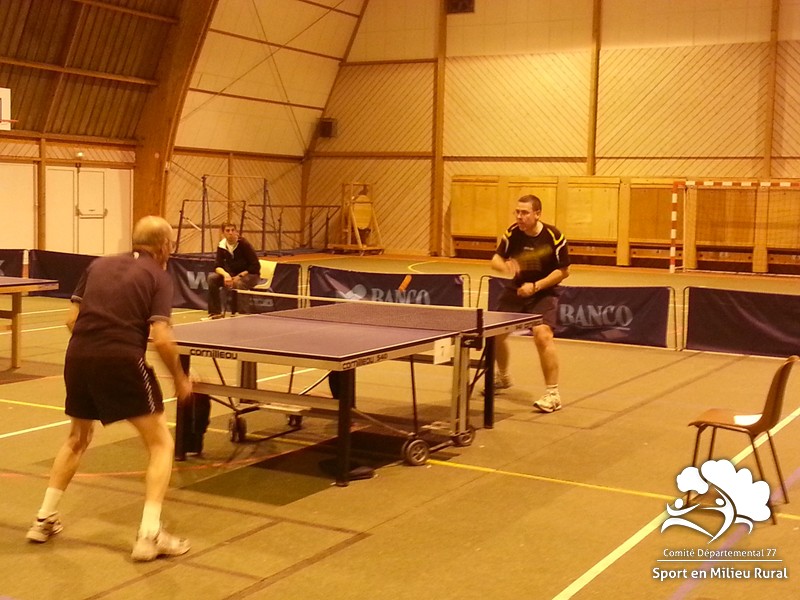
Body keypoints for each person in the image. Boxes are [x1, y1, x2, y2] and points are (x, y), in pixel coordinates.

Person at [26, 215, 194, 562]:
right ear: (164, 246)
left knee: (77, 438)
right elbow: (162, 338)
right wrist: (180, 379)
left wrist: (95, 344)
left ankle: (43, 519)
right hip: (122, 359)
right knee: (161, 443)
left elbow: (71, 319)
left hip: (78, 356)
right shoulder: (158, 276)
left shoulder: (98, 265)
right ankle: (149, 535)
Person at [489, 194, 570, 413]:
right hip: (516, 289)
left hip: (544, 291)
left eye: (524, 213)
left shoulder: (554, 236)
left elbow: (563, 271)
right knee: (493, 334)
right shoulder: (512, 232)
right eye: (517, 212)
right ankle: (503, 377)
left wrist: (535, 286)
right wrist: (504, 266)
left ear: (537, 214)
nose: (519, 216)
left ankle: (553, 395)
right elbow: (496, 258)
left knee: (542, 335)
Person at [206, 222, 261, 319]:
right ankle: (215, 312)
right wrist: (226, 275)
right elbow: (218, 266)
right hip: (232, 274)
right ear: (223, 232)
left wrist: (239, 276)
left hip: (250, 275)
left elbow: (255, 266)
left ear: (236, 232)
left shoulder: (244, 244)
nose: (230, 233)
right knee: (212, 279)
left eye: (233, 230)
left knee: (239, 283)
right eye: (227, 230)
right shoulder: (222, 246)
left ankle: (242, 314)